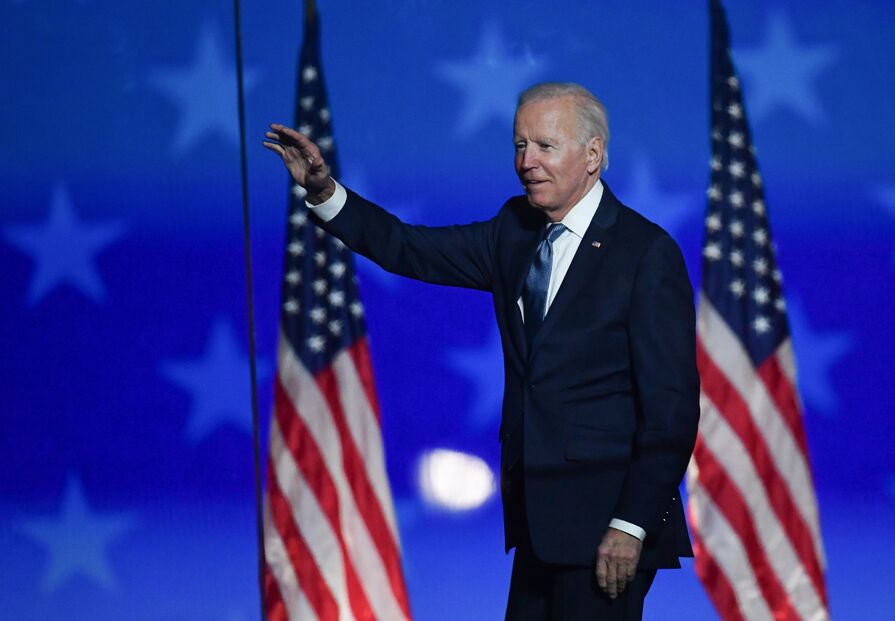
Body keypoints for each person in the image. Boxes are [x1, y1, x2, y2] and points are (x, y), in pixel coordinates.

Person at [264, 82, 699, 621]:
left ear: (592, 154)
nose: (527, 162)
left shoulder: (646, 254)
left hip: (606, 528)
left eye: (544, 145)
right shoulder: (514, 231)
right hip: (536, 523)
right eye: (519, 145)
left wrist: (631, 524)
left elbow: (672, 412)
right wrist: (327, 192)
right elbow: (409, 248)